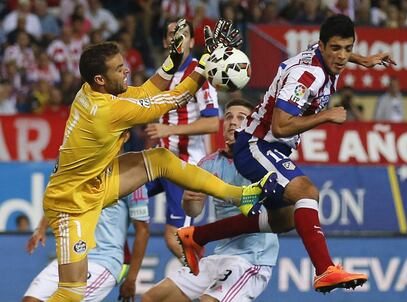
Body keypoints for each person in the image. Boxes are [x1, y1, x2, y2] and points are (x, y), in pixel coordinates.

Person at [41, 19, 273, 301]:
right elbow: (174, 98)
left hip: (95, 181)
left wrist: (174, 58)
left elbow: (145, 91)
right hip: (71, 203)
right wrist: (204, 64)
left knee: (161, 158)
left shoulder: (91, 90)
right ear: (100, 79)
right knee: (72, 291)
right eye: (118, 69)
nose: (126, 69)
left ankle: (240, 196)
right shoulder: (108, 111)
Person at [177, 14, 396, 294]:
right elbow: (281, 126)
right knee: (307, 192)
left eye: (348, 48)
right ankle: (325, 269)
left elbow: (338, 54)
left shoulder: (322, 57)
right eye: (336, 49)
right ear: (322, 46)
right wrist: (327, 116)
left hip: (269, 146)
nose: (342, 57)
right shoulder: (307, 77)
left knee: (283, 220)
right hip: (257, 145)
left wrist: (363, 60)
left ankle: (196, 236)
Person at [142, 99, 285, 302]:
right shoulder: (208, 164)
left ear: (251, 125)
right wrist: (189, 200)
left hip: (252, 259)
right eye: (228, 117)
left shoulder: (262, 159)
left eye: (241, 118)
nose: (233, 122)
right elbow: (193, 211)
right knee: (152, 298)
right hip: (219, 255)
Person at [145, 19, 219, 259]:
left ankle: (204, 286)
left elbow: (212, 122)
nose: (176, 38)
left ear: (192, 41)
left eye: (183, 34)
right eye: (171, 34)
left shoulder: (199, 74)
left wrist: (168, 131)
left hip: (184, 165)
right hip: (161, 160)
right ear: (166, 41)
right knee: (121, 195)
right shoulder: (164, 73)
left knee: (175, 237)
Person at [22, 185, 150, 302]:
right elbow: (60, 201)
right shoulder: (84, 169)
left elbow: (142, 230)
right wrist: (41, 228)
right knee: (30, 300)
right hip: (70, 256)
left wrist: (131, 279)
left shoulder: (133, 182)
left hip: (103, 260)